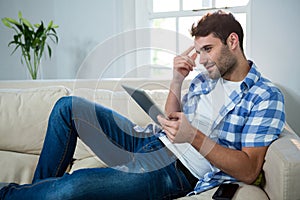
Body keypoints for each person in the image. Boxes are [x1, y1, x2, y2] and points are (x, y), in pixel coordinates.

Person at [0, 10, 285, 200]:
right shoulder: (207, 79)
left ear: (233, 41)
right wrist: (176, 80)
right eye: (198, 52)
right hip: (150, 140)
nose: (202, 60)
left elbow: (248, 169)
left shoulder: (264, 95)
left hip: (175, 170)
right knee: (68, 107)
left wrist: (193, 137)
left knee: (71, 189)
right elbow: (174, 118)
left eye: (207, 49)